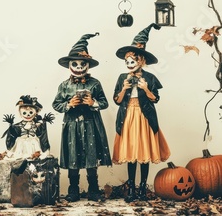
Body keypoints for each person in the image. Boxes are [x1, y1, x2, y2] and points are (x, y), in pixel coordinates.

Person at [112, 23, 171, 202]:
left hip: (144, 116)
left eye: (133, 62)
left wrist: (146, 89)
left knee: (144, 153)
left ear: (141, 62)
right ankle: (131, 188)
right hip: (128, 115)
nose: (130, 65)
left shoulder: (150, 78)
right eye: (127, 62)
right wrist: (123, 89)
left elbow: (155, 99)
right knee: (131, 154)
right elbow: (117, 100)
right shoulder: (123, 78)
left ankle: (143, 189)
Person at [52, 33, 112, 202]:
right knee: (73, 156)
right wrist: (69, 104)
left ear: (88, 65)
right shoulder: (64, 86)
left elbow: (104, 102)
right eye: (75, 64)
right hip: (71, 126)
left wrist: (93, 102)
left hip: (91, 125)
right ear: (70, 65)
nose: (79, 67)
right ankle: (73, 189)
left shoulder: (95, 84)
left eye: (82, 63)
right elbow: (56, 104)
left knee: (91, 156)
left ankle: (93, 188)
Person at [2, 95, 54, 160]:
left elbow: (42, 134)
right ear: (20, 114)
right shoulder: (18, 125)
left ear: (35, 113)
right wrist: (11, 125)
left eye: (31, 112)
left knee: (34, 159)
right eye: (24, 113)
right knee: (20, 158)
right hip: (21, 146)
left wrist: (44, 122)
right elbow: (12, 134)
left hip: (34, 144)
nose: (28, 115)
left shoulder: (37, 125)